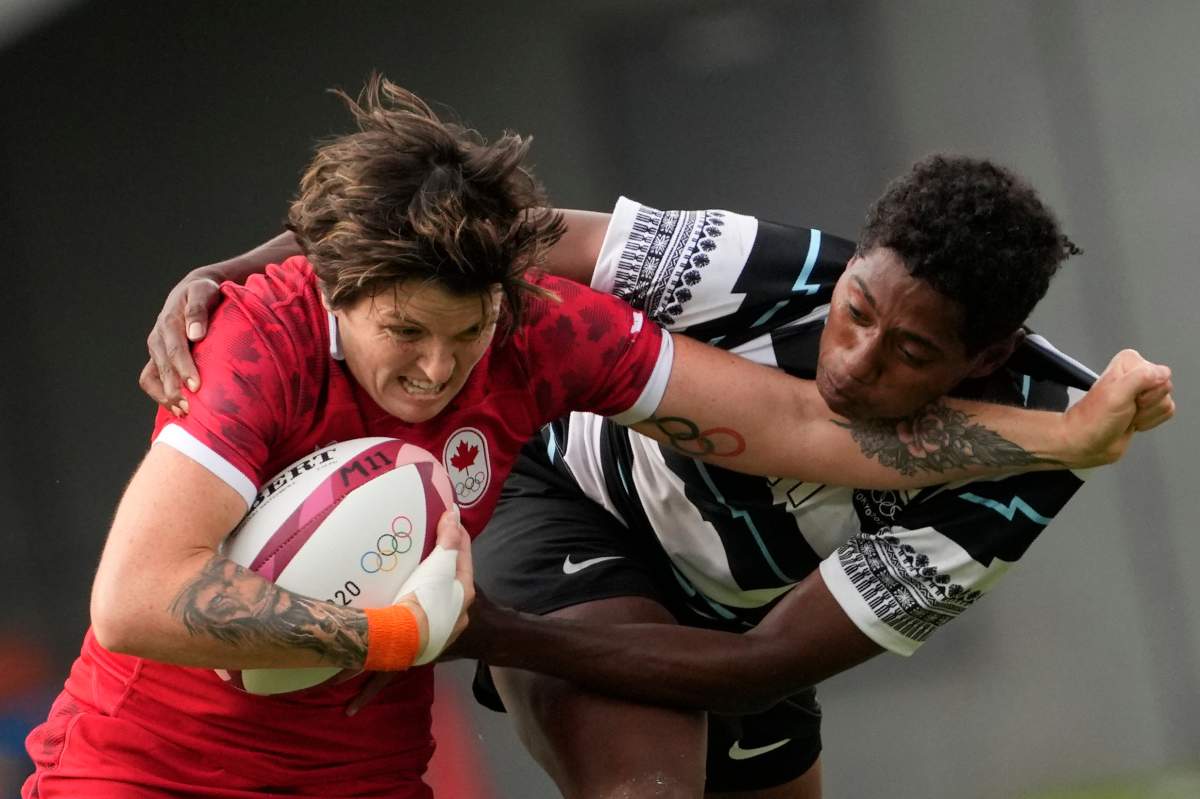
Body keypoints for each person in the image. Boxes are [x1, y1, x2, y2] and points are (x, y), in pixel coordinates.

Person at [135, 130, 1173, 799]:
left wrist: (485, 634)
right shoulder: (773, 269)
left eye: (911, 354)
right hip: (578, 514)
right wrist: (234, 275)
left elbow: (766, 664)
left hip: (742, 623)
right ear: (851, 266)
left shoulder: (1026, 464)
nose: (853, 361)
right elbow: (491, 233)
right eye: (856, 312)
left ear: (986, 359)